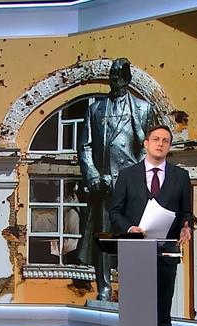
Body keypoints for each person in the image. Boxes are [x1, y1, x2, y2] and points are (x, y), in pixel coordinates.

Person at [109, 124, 193, 326]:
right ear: (145, 144)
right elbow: (115, 212)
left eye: (166, 140)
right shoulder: (127, 175)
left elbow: (186, 213)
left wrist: (187, 227)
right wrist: (129, 228)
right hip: (135, 253)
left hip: (165, 253)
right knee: (134, 314)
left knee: (161, 316)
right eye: (156, 139)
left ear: (169, 146)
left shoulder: (181, 177)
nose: (160, 143)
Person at [77, 58, 156, 301]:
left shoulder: (143, 108)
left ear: (127, 78)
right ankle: (103, 287)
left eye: (119, 75)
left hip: (129, 186)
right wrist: (92, 174)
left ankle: (131, 287)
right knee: (104, 238)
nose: (114, 79)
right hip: (102, 186)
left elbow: (148, 149)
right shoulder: (95, 109)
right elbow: (85, 146)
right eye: (112, 74)